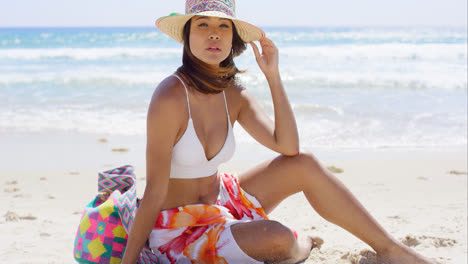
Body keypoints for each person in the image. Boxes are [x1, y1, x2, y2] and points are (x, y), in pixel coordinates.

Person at [122, 1, 434, 263]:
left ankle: (390, 249)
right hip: (182, 230)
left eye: (224, 26)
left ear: (234, 39)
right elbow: (155, 192)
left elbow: (288, 147)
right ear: (186, 36)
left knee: (305, 164)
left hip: (222, 203)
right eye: (202, 25)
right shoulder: (170, 97)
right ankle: (303, 242)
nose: (214, 34)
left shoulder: (233, 93)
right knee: (279, 239)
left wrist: (273, 76)